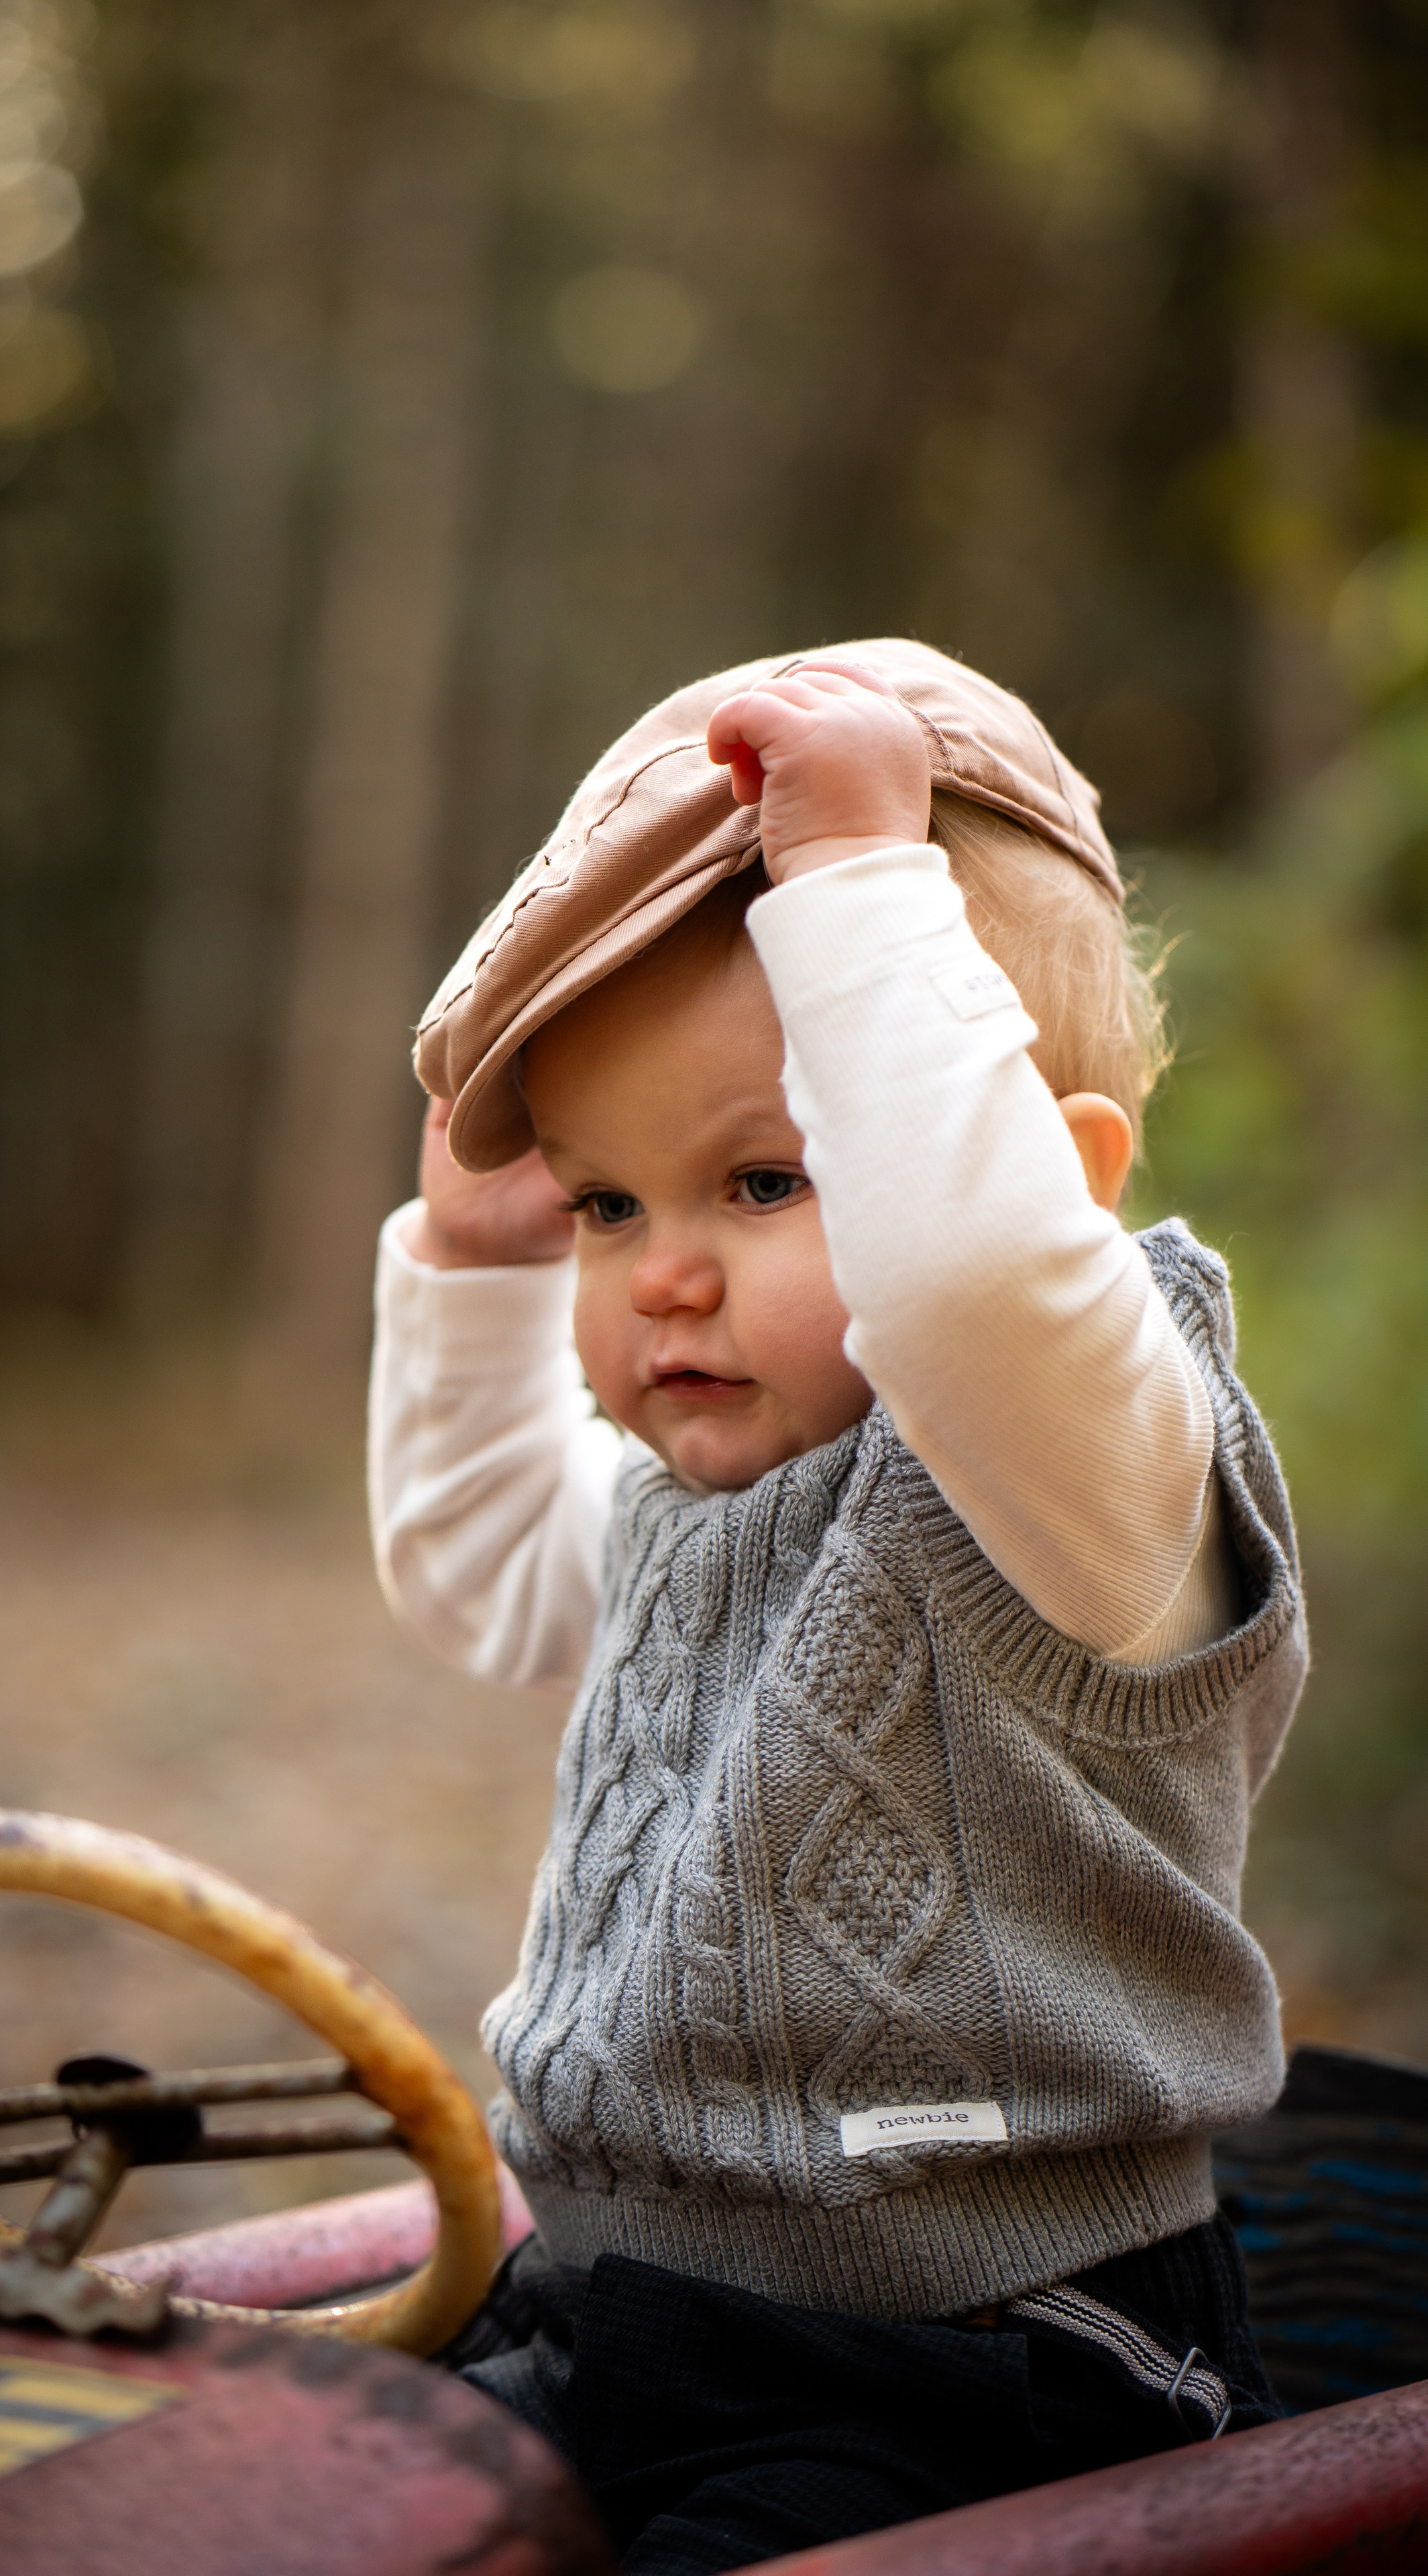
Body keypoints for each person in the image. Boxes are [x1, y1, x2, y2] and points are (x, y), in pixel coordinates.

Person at [368, 641, 1307, 2575]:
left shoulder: (1095, 1458)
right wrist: (472, 1266)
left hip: (980, 2369)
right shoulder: (710, 1484)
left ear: (1064, 1184)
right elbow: (481, 1573)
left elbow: (970, 1280)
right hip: (623, 2315)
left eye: (766, 1180)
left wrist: (866, 879)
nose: (660, 1281)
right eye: (609, 1205)